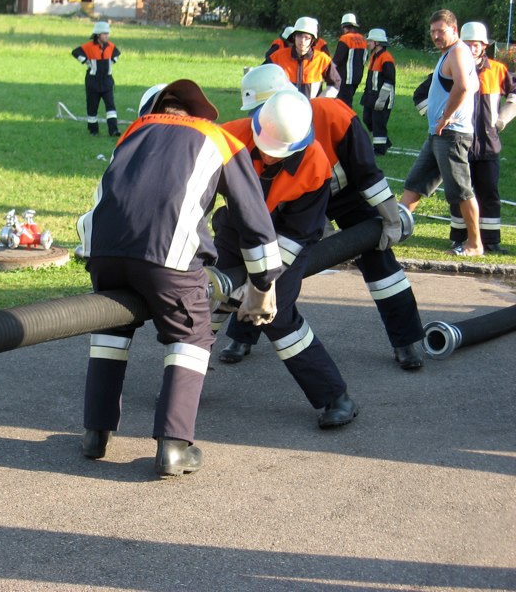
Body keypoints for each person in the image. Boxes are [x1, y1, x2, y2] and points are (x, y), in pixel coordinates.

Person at [75, 80, 282, 476]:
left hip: (104, 251)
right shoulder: (217, 138)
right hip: (168, 258)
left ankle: (95, 434)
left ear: (152, 110)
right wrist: (263, 283)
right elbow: (254, 219)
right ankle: (173, 446)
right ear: (197, 112)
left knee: (110, 330)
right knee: (191, 334)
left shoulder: (133, 133)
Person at [220, 64, 425, 371]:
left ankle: (405, 341)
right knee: (264, 262)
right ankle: (242, 334)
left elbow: (367, 173)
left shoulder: (335, 115)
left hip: (347, 196)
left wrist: (391, 216)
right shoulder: (262, 135)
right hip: (295, 199)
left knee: (381, 262)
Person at [213, 89, 358, 428]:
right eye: (265, 147)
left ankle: (335, 397)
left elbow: (296, 234)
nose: (269, 158)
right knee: (212, 300)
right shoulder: (229, 137)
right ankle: (180, 393)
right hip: (236, 228)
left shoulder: (315, 164)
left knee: (275, 316)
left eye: (278, 152)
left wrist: (262, 283)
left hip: (284, 238)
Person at [399, 9, 482, 256]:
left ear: (454, 30)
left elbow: (464, 86)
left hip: (452, 134)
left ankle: (475, 244)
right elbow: (472, 85)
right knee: (415, 183)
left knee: (461, 191)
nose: (436, 36)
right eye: (433, 31)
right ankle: (391, 232)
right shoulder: (452, 53)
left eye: (441, 31)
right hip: (439, 134)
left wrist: (446, 116)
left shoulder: (457, 52)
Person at [448, 21, 516, 254]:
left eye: (475, 44)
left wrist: (503, 118)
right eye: (467, 44)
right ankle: (458, 238)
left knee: (489, 192)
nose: (471, 48)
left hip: (488, 145)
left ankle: (492, 241)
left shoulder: (497, 69)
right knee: (461, 193)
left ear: (484, 46)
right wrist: (441, 118)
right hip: (459, 144)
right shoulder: (452, 65)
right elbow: (423, 95)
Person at [265, 16, 341, 99]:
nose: (302, 41)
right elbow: (262, 76)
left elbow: (336, 83)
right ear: (294, 37)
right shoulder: (278, 56)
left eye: (307, 37)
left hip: (311, 106)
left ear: (312, 40)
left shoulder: (322, 59)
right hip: (285, 105)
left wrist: (321, 100)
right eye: (299, 36)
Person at [71, 21, 121, 137]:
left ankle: (113, 130)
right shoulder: (88, 46)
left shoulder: (111, 46)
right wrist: (85, 61)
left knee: (111, 107)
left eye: (108, 33)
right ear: (98, 35)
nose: (107, 36)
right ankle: (93, 130)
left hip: (107, 81)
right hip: (92, 82)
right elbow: (75, 52)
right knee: (92, 107)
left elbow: (117, 54)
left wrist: (112, 62)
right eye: (105, 34)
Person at [361, 28, 396, 155]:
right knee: (367, 119)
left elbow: (389, 81)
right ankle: (384, 142)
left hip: (382, 97)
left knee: (378, 123)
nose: (368, 43)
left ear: (377, 43)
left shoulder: (386, 58)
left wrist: (381, 100)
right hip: (371, 96)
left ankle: (380, 149)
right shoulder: (374, 56)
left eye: (370, 41)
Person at [332, 13, 367, 107]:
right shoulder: (363, 39)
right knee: (348, 100)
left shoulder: (345, 38)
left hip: (345, 78)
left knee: (343, 104)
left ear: (344, 27)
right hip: (357, 77)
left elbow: (337, 59)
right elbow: (365, 58)